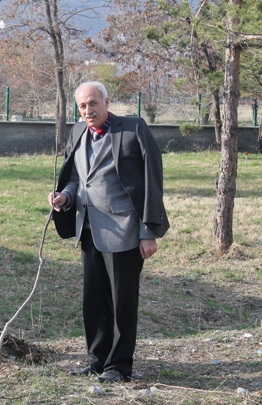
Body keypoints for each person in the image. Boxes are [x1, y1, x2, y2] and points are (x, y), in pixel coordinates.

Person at [49, 81, 169, 383]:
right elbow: (78, 178)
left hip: (125, 231)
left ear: (106, 102)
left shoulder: (133, 129)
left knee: (122, 302)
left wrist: (148, 231)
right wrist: (65, 196)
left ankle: (119, 366)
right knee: (94, 299)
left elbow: (151, 182)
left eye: (93, 103)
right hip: (87, 229)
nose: (88, 110)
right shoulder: (78, 133)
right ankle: (97, 359)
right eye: (82, 106)